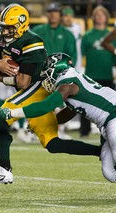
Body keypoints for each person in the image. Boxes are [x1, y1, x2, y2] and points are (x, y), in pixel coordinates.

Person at [0, 52, 116, 201]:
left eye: (47, 74)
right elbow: (69, 113)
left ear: (55, 70)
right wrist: (42, 122)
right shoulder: (71, 82)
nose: (46, 79)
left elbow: (46, 105)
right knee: (111, 173)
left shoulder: (67, 84)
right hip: (110, 121)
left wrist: (12, 112)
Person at [0, 4, 101, 185]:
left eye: (9, 27)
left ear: (20, 25)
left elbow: (23, 83)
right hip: (30, 89)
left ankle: (4, 170)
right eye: (3, 27)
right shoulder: (4, 39)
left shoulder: (32, 42)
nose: (4, 31)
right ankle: (101, 151)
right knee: (53, 144)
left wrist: (1, 76)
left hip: (38, 87)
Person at [32, 2, 77, 138]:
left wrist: (66, 73)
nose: (53, 14)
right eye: (50, 12)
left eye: (55, 12)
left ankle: (59, 130)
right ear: (47, 14)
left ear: (60, 15)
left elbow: (72, 56)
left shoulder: (67, 34)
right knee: (38, 100)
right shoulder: (38, 30)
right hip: (40, 72)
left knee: (59, 102)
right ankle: (36, 129)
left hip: (59, 74)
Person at [80, 5, 116, 137]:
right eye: (97, 15)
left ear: (107, 17)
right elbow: (81, 54)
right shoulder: (88, 35)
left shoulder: (112, 35)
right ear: (93, 18)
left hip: (107, 74)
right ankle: (84, 130)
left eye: (102, 15)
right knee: (86, 103)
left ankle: (110, 130)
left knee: (109, 104)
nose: (100, 17)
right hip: (91, 74)